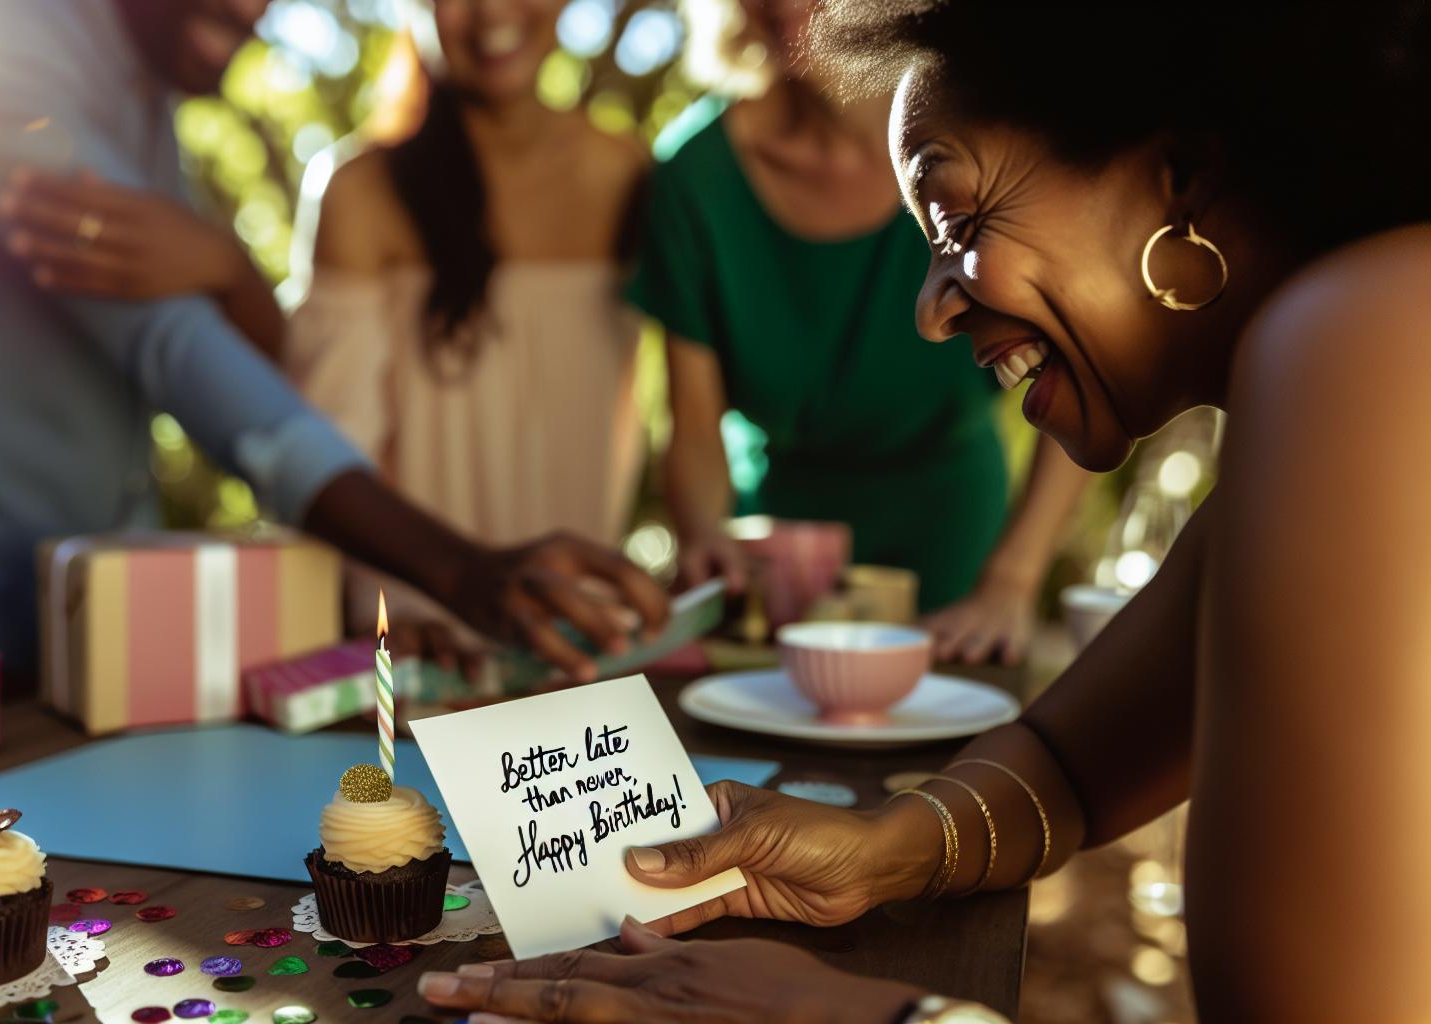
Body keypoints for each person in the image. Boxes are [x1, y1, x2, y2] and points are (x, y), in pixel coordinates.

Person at [415, 0, 1431, 1020]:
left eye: (960, 223)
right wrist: (875, 852)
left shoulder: (1360, 338)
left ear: (1183, 175)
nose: (930, 310)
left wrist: (864, 1013)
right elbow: (1071, 767)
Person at [0, 0, 668, 708]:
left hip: (74, 617)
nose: (254, 9)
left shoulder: (143, 99)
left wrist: (232, 274)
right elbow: (171, 342)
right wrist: (458, 567)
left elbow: (281, 372)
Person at [630, 0, 1091, 663]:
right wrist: (705, 538)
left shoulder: (986, 129)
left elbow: (1084, 369)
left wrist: (1011, 581)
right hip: (780, 576)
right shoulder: (694, 177)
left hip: (957, 550)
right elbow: (694, 428)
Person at [269, 2, 648, 659]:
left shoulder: (632, 175)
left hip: (580, 643)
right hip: (421, 641)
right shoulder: (360, 190)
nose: (491, 11)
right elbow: (330, 442)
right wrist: (387, 613)